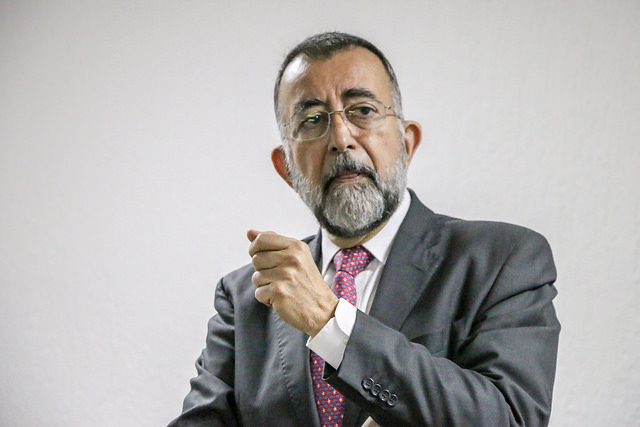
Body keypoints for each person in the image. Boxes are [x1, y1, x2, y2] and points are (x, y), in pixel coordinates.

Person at [169, 32, 560, 427]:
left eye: (363, 110)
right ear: (286, 169)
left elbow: (511, 418)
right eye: (312, 120)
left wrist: (328, 320)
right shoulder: (246, 297)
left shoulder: (503, 261)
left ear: (407, 143)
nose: (341, 139)